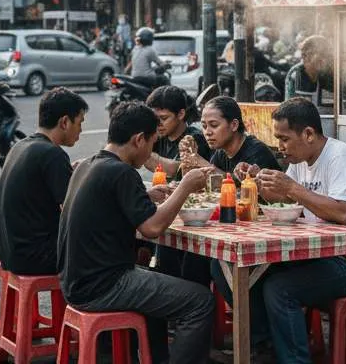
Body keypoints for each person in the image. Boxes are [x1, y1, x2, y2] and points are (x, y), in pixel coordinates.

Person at [211, 98, 346, 364]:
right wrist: (257, 181)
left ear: (309, 134)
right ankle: (264, 345)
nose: (279, 147)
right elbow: (290, 203)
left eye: (284, 139)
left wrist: (291, 188)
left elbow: (343, 213)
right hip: (314, 253)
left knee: (280, 289)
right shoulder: (299, 159)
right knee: (227, 266)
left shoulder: (340, 157)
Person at [58, 102, 214, 364]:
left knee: (159, 288)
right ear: (139, 139)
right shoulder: (121, 172)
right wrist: (184, 187)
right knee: (200, 302)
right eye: (152, 143)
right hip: (103, 285)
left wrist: (147, 195)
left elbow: (115, 206)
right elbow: (152, 228)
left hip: (75, 280)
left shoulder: (89, 165)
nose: (151, 151)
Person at [0, 88, 88, 275]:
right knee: (105, 244)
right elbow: (76, 210)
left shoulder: (21, 146)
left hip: (10, 253)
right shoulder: (52, 154)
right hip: (36, 257)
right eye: (79, 123)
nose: (81, 130)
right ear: (65, 122)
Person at [144, 85, 213, 286]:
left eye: (163, 118)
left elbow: (176, 168)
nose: (158, 125)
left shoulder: (194, 137)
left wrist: (139, 150)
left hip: (196, 215)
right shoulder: (161, 137)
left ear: (181, 114)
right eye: (154, 120)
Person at [202, 95, 280, 174]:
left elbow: (239, 184)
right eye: (204, 126)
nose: (207, 132)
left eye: (214, 125)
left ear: (234, 125)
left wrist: (202, 164)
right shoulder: (221, 153)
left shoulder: (257, 152)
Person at [283, 35, 333, 106]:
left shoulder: (323, 73)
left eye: (327, 55)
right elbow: (294, 109)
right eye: (321, 54)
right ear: (305, 56)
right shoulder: (297, 74)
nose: (324, 60)